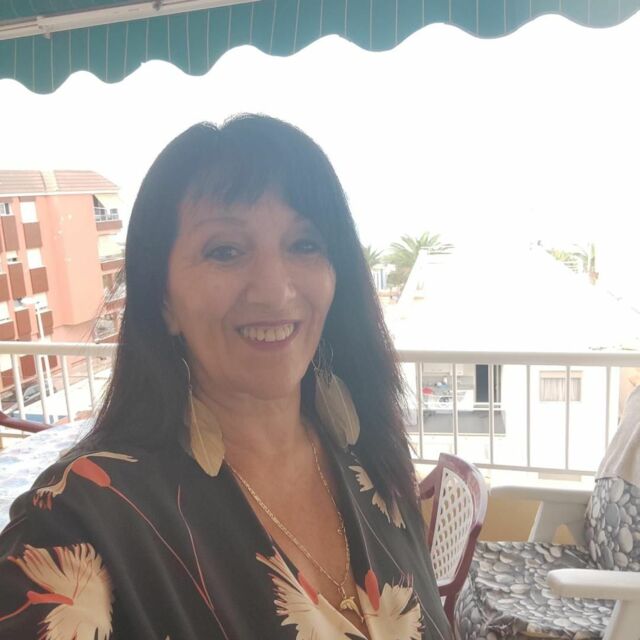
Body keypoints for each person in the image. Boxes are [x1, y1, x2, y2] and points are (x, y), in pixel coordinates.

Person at [0, 115, 451, 640]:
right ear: (163, 300)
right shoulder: (83, 520)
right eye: (226, 251)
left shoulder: (371, 459)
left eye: (305, 244)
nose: (274, 291)